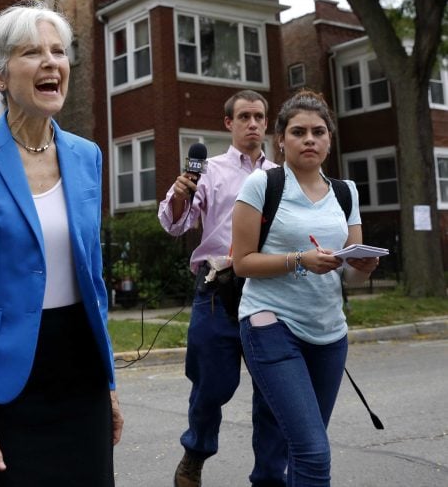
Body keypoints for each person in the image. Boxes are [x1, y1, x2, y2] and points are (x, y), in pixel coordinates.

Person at [0, 2, 124, 487]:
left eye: (59, 51)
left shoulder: (86, 156)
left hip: (81, 374)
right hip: (1, 381)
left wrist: (109, 381)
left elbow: (91, 279)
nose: (51, 62)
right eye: (32, 52)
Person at [232, 90, 378, 486]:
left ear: (330, 138)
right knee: (313, 452)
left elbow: (347, 275)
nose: (309, 139)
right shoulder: (262, 185)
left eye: (318, 131)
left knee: (298, 443)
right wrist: (300, 259)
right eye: (298, 132)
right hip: (270, 323)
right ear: (281, 139)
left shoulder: (346, 192)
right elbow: (242, 262)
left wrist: (362, 268)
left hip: (330, 332)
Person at [158, 90, 287, 487]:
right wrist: (180, 197)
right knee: (212, 383)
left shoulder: (281, 175)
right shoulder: (209, 171)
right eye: (244, 117)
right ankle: (196, 451)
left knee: (273, 391)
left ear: (267, 124)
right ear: (228, 124)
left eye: (259, 117)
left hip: (268, 290)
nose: (253, 124)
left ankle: (269, 476)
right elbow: (175, 224)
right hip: (218, 288)